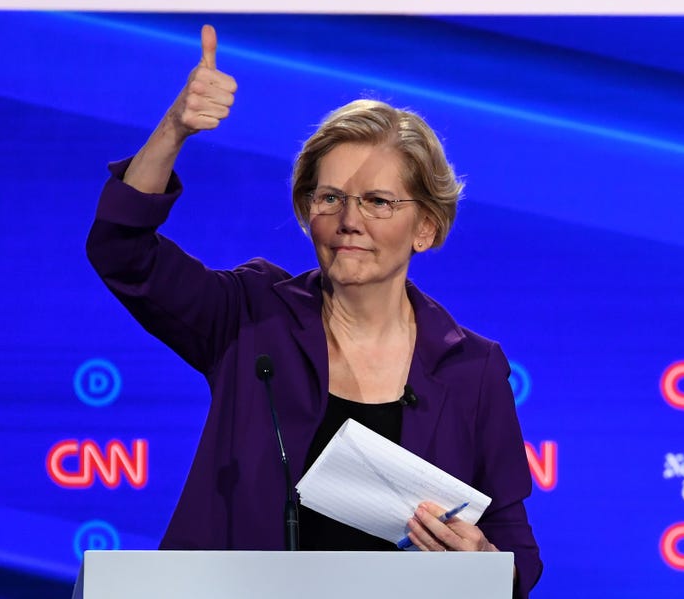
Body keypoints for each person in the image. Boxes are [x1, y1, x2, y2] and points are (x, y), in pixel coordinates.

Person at [86, 25, 541, 598]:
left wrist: (482, 561)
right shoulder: (251, 317)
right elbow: (123, 252)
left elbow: (516, 551)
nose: (350, 219)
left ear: (426, 226)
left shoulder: (471, 369)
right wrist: (175, 128)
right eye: (329, 198)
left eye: (378, 201)